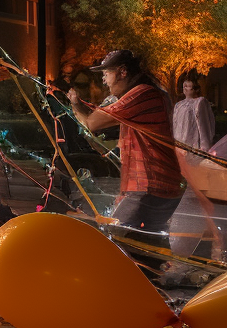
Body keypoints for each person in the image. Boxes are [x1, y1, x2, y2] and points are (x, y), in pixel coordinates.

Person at [69, 50, 182, 234]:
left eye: (106, 74)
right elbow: (101, 135)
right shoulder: (147, 95)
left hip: (149, 187)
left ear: (122, 72)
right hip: (155, 187)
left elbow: (92, 123)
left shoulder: (141, 94)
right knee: (142, 247)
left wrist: (75, 102)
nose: (104, 81)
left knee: (113, 239)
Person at [172, 73, 215, 156]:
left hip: (192, 144)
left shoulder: (199, 102)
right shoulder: (179, 105)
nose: (185, 87)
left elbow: (203, 125)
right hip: (179, 143)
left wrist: (204, 147)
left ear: (195, 89)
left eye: (188, 86)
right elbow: (175, 124)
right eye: (184, 86)